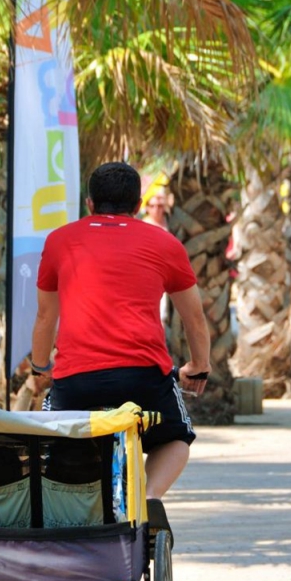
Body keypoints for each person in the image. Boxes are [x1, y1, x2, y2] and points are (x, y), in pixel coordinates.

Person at [30, 161, 211, 500]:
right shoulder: (165, 243)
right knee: (175, 439)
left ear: (89, 204)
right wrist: (198, 366)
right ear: (139, 206)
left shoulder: (59, 241)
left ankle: (73, 513)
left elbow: (44, 317)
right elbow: (195, 318)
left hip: (77, 381)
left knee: (58, 441)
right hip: (143, 379)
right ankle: (147, 500)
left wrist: (41, 366)